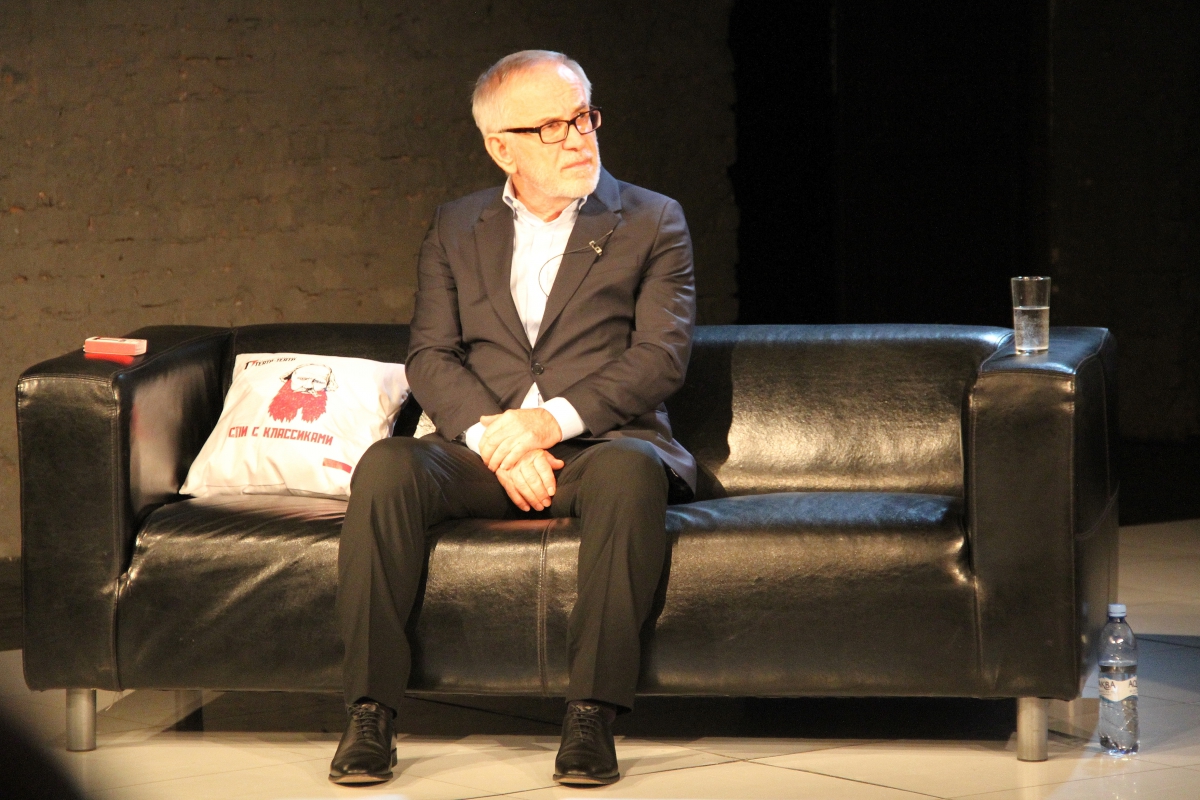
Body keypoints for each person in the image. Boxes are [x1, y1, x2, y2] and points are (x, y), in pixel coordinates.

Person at [331, 49, 697, 787]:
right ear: (502, 147)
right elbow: (430, 355)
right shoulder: (456, 225)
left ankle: (591, 715)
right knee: (388, 467)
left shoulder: (652, 219)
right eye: (552, 127)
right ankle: (369, 711)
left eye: (584, 116)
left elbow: (660, 357)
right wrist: (498, 438)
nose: (579, 138)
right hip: (482, 449)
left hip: (599, 446)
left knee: (631, 472)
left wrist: (546, 424)